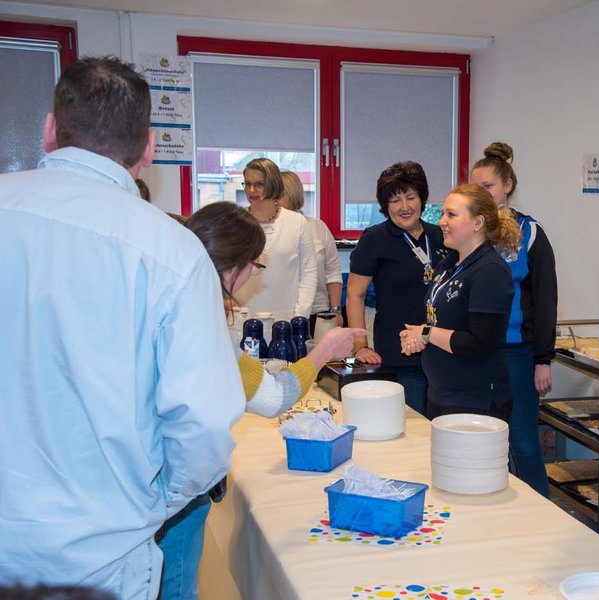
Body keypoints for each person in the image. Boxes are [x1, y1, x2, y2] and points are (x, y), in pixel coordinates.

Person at [0, 57, 244, 598]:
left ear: (49, 130)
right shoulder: (171, 251)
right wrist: (154, 504)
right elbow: (204, 424)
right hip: (101, 556)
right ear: (149, 148)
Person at [157, 201, 366, 600]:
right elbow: (273, 397)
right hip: (174, 489)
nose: (252, 275)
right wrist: (324, 351)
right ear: (230, 268)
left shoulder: (162, 303)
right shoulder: (200, 321)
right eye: (254, 265)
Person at [471, 141, 558, 497]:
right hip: (476, 353)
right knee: (484, 442)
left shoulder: (530, 232)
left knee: (522, 442)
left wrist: (543, 359)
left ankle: (542, 512)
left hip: (518, 353)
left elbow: (546, 297)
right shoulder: (470, 232)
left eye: (488, 186)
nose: (483, 194)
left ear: (507, 185)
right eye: (476, 188)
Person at [401, 183, 520, 420]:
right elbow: (442, 322)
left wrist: (426, 333)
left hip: (475, 401)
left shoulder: (490, 271)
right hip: (441, 395)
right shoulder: (449, 264)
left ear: (478, 223)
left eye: (451, 214)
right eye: (443, 213)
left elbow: (478, 343)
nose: (442, 221)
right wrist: (416, 337)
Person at [347, 161, 448, 414]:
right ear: (385, 206)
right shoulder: (375, 239)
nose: (405, 207)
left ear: (422, 198)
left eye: (411, 197)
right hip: (401, 356)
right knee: (413, 427)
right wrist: (360, 345)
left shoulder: (440, 236)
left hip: (443, 352)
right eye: (395, 200)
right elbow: (355, 294)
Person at [234, 158, 318, 320]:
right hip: (243, 318)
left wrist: (300, 316)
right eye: (247, 184)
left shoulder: (297, 222)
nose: (251, 190)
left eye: (259, 184)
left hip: (287, 318)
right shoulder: (234, 222)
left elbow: (309, 273)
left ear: (273, 185)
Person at [278, 170, 344, 336]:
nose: (273, 201)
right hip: (282, 313)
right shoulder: (270, 231)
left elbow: (333, 273)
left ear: (292, 196)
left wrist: (336, 311)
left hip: (318, 313)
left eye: (278, 196)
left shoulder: (318, 227)